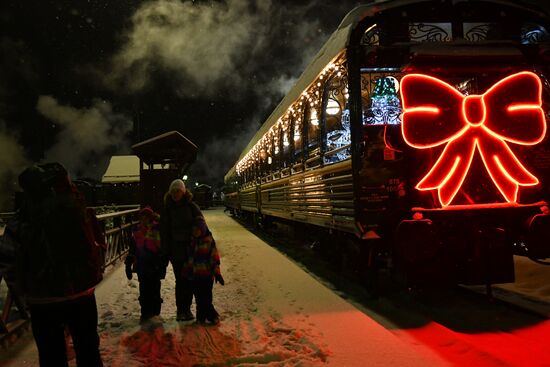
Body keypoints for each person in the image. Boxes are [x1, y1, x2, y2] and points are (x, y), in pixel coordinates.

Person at [1, 162, 104, 367]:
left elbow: (7, 257)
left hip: (43, 299)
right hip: (81, 292)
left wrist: (23, 290)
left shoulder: (23, 217)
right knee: (88, 349)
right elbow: (99, 241)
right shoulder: (76, 206)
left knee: (51, 355)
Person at [160, 179, 202, 321]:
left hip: (190, 249)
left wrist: (197, 231)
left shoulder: (191, 206)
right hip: (175, 251)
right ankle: (180, 310)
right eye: (173, 191)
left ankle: (187, 309)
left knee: (189, 280)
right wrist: (165, 252)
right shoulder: (167, 209)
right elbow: (164, 232)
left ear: (183, 192)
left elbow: (200, 222)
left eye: (177, 191)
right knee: (181, 280)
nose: (175, 194)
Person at [125, 207, 165, 322]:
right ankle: (145, 312)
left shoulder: (157, 229)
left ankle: (155, 313)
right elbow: (132, 250)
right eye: (142, 217)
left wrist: (162, 263)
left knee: (155, 289)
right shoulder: (136, 231)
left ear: (151, 218)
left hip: (154, 264)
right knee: (144, 290)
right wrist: (128, 264)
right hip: (142, 266)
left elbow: (162, 248)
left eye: (146, 217)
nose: (144, 220)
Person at [188, 215, 224, 324]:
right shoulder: (191, 242)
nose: (195, 232)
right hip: (195, 275)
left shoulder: (208, 242)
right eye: (193, 230)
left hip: (207, 276)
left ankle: (212, 316)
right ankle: (201, 317)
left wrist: (217, 273)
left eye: (197, 229)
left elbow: (214, 259)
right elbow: (189, 259)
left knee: (207, 298)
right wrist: (187, 271)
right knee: (198, 297)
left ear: (202, 229)